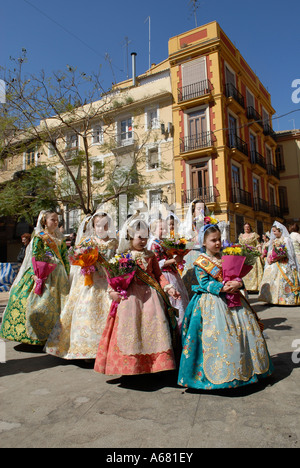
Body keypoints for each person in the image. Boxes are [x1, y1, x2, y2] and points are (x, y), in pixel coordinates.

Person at [177, 224, 273, 390]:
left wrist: (238, 282)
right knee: (218, 337)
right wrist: (221, 288)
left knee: (240, 334)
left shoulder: (225, 257)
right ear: (204, 243)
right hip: (212, 303)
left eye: (219, 239)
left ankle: (246, 369)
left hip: (234, 300)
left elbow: (236, 275)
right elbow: (204, 283)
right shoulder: (201, 261)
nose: (217, 243)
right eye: (213, 240)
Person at [94, 214, 181, 376]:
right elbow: (113, 278)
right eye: (139, 237)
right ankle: (131, 366)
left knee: (154, 327)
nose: (143, 241)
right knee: (131, 329)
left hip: (151, 298)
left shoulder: (150, 255)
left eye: (146, 237)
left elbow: (158, 275)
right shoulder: (123, 256)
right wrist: (112, 292)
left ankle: (155, 365)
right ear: (130, 236)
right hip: (131, 298)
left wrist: (168, 288)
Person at [45, 210, 118, 360]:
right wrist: (85, 262)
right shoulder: (88, 241)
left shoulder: (113, 242)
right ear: (93, 226)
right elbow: (75, 257)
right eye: (98, 225)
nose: (101, 229)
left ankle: (107, 349)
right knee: (86, 314)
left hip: (108, 282)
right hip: (90, 283)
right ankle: (85, 351)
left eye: (105, 225)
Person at [0, 210, 70, 345]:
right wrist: (36, 275)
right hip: (44, 274)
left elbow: (64, 257)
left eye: (57, 220)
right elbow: (35, 256)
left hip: (59, 276)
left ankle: (57, 334)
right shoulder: (40, 236)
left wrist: (67, 273)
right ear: (45, 221)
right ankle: (37, 335)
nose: (55, 222)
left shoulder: (60, 238)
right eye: (52, 220)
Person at [148, 217, 189, 330]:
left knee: (180, 300)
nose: (165, 231)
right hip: (164, 275)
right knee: (172, 301)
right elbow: (157, 263)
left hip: (172, 274)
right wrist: (174, 260)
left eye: (166, 228)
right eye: (161, 229)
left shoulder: (164, 242)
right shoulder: (154, 244)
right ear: (154, 230)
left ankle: (181, 328)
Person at [258, 221, 300, 305]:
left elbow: (289, 252)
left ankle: (285, 299)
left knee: (283, 281)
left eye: (275, 231)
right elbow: (271, 251)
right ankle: (271, 298)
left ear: (280, 231)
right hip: (274, 263)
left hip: (284, 263)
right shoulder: (274, 240)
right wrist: (270, 258)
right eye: (273, 231)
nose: (273, 233)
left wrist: (291, 263)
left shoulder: (286, 239)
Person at [238, 223, 263, 292]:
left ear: (250, 228)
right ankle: (246, 287)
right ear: (243, 228)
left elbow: (258, 245)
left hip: (253, 254)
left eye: (248, 227)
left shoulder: (254, 235)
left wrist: (260, 253)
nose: (247, 228)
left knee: (253, 270)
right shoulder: (241, 236)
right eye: (245, 227)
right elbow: (240, 245)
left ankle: (254, 287)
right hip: (244, 254)